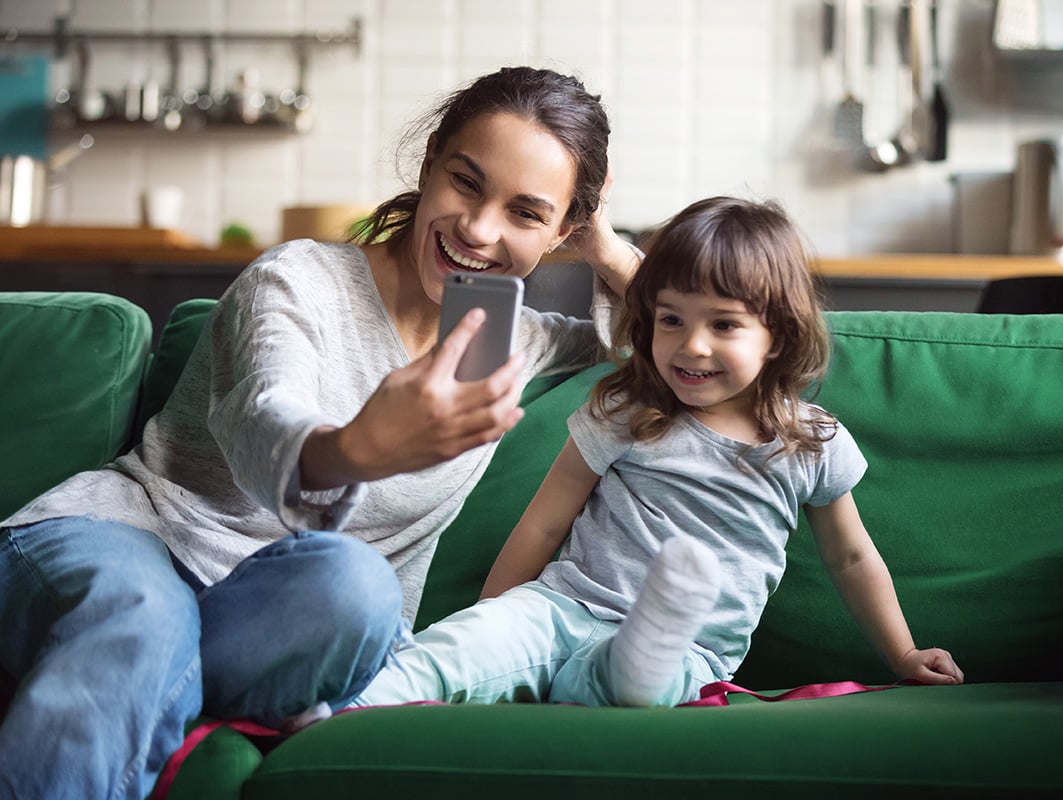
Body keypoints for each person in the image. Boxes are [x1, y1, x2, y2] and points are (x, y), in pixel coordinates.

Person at [0, 66, 639, 800]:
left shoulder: (520, 344)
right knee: (145, 618)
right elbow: (267, 415)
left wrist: (607, 248)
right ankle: (168, 692)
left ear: (563, 229)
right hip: (133, 542)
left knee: (356, 584)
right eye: (466, 182)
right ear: (430, 161)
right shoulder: (299, 279)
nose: (479, 229)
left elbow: (680, 344)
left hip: (274, 619)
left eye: (526, 213)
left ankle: (148, 692)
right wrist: (356, 447)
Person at [353, 196, 964, 710]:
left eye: (723, 326)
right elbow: (543, 523)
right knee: (454, 650)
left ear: (778, 335)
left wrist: (904, 653)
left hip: (685, 651)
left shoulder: (808, 443)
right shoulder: (626, 409)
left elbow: (853, 558)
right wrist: (493, 620)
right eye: (671, 320)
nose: (690, 346)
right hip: (561, 607)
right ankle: (350, 705)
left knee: (633, 676)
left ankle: (646, 639)